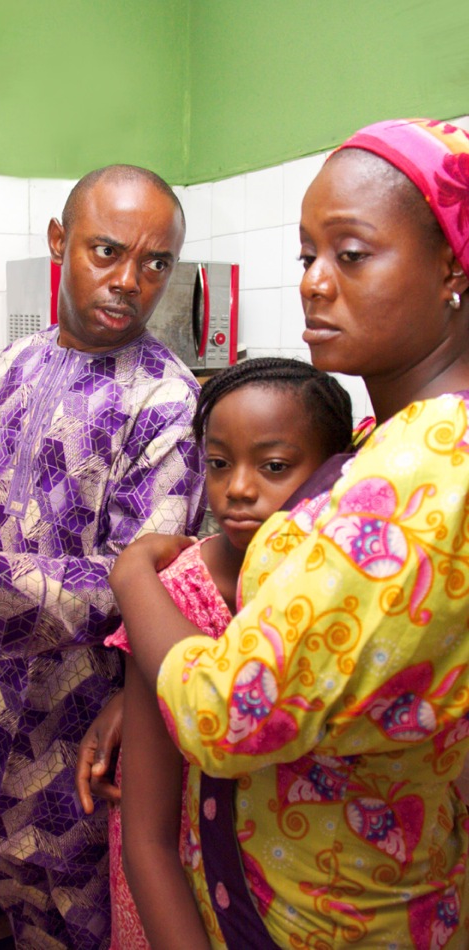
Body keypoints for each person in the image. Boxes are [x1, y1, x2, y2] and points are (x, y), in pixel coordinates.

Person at [108, 119, 469, 949]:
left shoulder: (425, 472)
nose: (314, 282)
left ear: (451, 265)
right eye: (307, 255)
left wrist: (133, 576)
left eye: (351, 253)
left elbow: (227, 713)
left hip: (334, 922)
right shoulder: (396, 437)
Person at [0, 164, 207, 949]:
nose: (129, 281)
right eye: (106, 250)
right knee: (18, 915)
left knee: (82, 925)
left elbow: (140, 587)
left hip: (77, 741)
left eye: (155, 263)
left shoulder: (167, 402)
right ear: (60, 242)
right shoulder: (15, 365)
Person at [98, 357, 353, 950]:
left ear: (333, 475)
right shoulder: (177, 593)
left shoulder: (348, 593)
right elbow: (147, 836)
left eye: (274, 466)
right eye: (217, 464)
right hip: (181, 901)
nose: (237, 488)